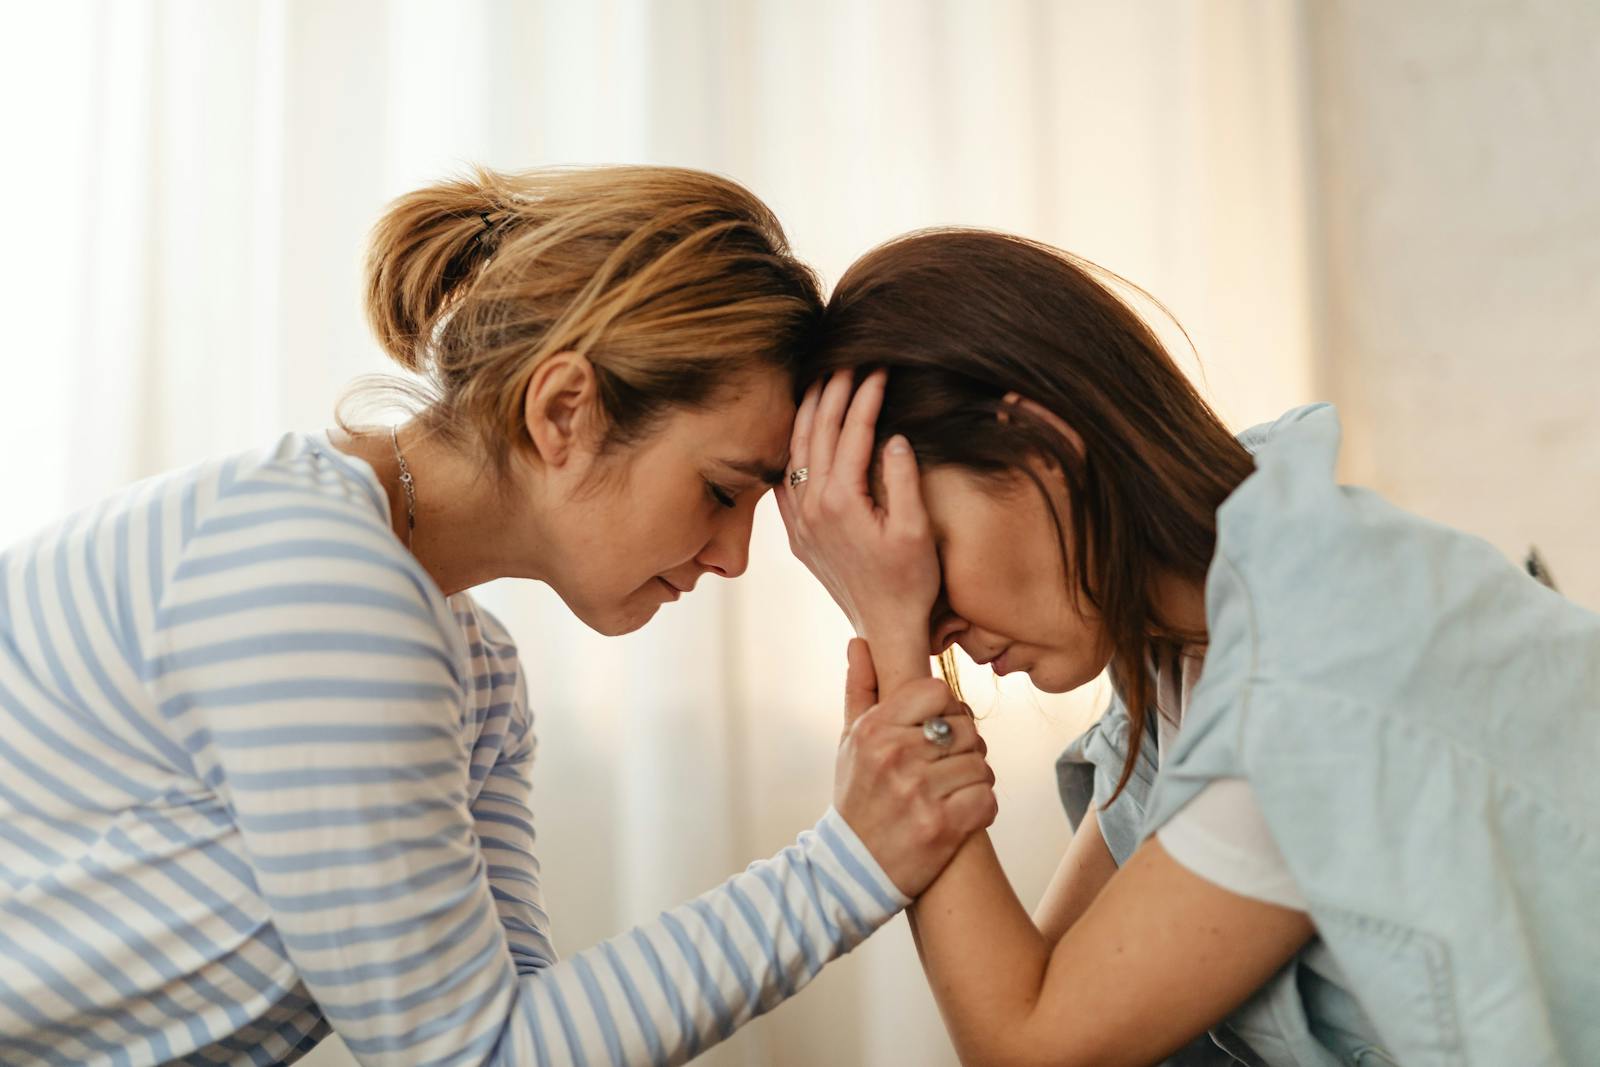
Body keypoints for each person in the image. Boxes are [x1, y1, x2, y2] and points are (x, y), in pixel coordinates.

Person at [0, 168, 996, 1065]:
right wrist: (847, 864)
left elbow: (525, 1023)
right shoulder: (317, 580)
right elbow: (470, 1055)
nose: (735, 556)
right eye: (722, 489)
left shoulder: (472, 670)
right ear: (565, 411)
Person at [781, 228, 1599, 1067]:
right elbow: (1047, 983)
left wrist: (896, 655)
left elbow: (1028, 1045)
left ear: (1045, 449)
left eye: (925, 560)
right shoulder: (1188, 644)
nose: (929, 621)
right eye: (892, 582)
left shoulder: (1309, 667)